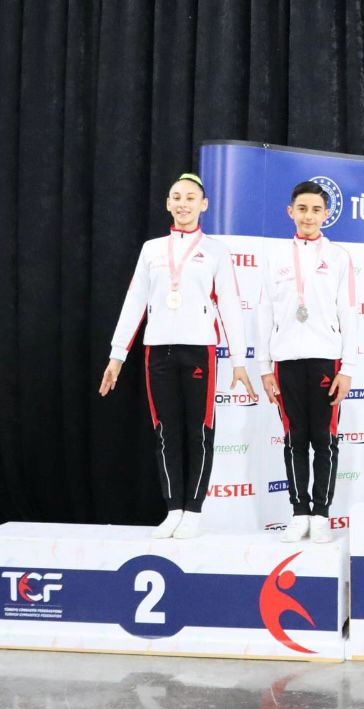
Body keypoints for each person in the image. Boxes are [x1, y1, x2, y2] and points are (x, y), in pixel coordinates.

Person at [99, 173, 255, 540]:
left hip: (200, 349)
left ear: (204, 205)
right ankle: (173, 510)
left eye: (190, 198)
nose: (183, 204)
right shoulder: (152, 249)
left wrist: (239, 360)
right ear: (168, 204)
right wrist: (117, 355)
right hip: (158, 350)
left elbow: (230, 305)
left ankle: (193, 510)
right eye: (176, 197)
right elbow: (135, 301)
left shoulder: (216, 251)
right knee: (166, 432)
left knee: (198, 432)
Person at [256, 180, 359, 543]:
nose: (309, 216)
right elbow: (264, 312)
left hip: (326, 361)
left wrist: (348, 368)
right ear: (291, 212)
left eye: (316, 210)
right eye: (302, 209)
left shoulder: (339, 257)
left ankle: (321, 514)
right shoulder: (275, 257)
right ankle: (299, 512)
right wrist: (264, 367)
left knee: (325, 440)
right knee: (294, 439)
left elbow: (349, 313)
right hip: (285, 361)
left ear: (326, 214)